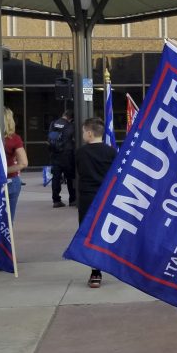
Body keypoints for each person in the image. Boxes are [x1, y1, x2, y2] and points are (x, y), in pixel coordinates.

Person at [75, 117, 118, 288]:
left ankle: (95, 272)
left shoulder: (80, 153)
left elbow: (76, 172)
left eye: (84, 131)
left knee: (89, 234)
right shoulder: (112, 152)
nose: (83, 134)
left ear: (90, 133)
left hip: (87, 197)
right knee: (104, 232)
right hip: (106, 197)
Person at [47, 109, 76, 208]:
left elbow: (51, 138)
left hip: (54, 154)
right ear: (71, 118)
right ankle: (73, 199)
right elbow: (71, 138)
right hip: (67, 155)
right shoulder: (70, 125)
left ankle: (56, 200)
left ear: (63, 115)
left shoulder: (53, 123)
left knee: (56, 178)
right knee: (70, 178)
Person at [4, 108, 29, 217]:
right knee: (8, 219)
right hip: (10, 180)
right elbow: (23, 163)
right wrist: (4, 170)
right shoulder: (14, 139)